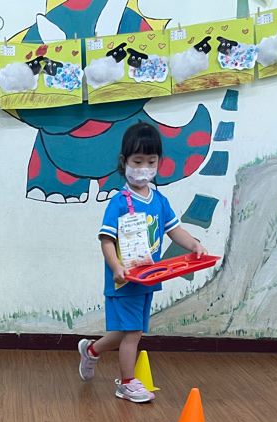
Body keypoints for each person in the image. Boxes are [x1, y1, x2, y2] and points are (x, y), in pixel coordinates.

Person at [78, 122, 207, 403]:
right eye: (137, 161)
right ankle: (126, 383)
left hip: (148, 278)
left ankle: (91, 351)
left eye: (151, 161)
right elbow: (106, 240)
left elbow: (175, 230)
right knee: (133, 333)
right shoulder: (119, 202)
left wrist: (194, 244)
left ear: (159, 162)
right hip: (124, 280)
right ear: (124, 162)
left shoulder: (159, 200)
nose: (144, 168)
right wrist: (116, 267)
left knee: (125, 331)